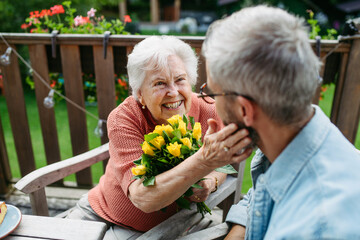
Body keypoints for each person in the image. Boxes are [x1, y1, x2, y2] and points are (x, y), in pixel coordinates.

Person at [66, 35, 252, 239]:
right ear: (140, 94)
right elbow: (143, 198)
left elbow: (220, 163)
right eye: (159, 83)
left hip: (172, 227)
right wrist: (203, 160)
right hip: (99, 214)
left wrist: (210, 180)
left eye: (180, 80)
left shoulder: (210, 111)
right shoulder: (125, 118)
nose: (173, 92)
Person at [201, 5, 360, 240]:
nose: (212, 102)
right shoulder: (289, 142)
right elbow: (259, 199)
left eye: (213, 93)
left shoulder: (317, 228)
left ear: (245, 109)